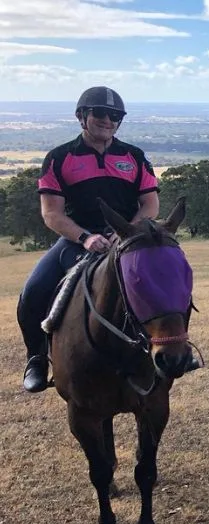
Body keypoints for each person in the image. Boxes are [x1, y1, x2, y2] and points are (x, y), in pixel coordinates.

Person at [18, 86, 167, 392]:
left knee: (170, 285)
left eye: (115, 115)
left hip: (126, 239)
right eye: (100, 113)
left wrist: (126, 230)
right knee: (32, 293)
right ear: (82, 117)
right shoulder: (60, 158)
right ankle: (36, 357)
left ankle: (175, 349)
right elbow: (52, 214)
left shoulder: (134, 156)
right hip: (76, 241)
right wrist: (86, 237)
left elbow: (150, 205)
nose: (108, 120)